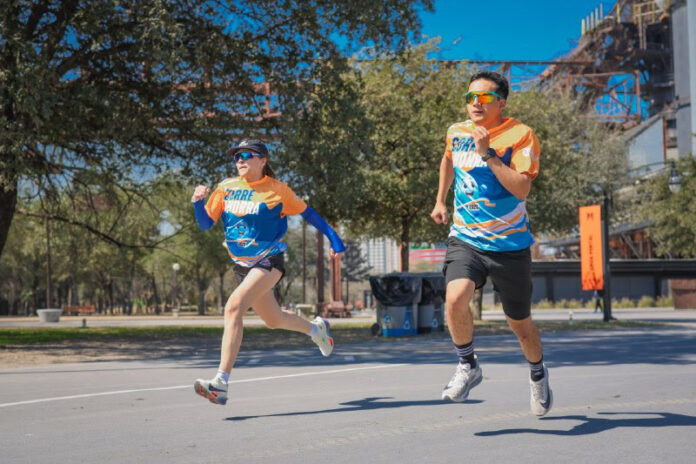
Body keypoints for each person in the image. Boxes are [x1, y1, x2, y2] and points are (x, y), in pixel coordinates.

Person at [430, 71, 553, 416]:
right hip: (465, 238)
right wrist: (440, 200)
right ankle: (467, 365)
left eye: (483, 98)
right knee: (455, 297)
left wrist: (488, 155)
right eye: (470, 97)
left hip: (509, 246)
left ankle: (538, 374)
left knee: (521, 325)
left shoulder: (521, 135)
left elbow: (522, 188)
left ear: (501, 103)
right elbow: (448, 159)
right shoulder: (456, 132)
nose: (475, 104)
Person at [191, 139, 345, 406]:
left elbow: (310, 215)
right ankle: (317, 330)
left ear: (263, 160)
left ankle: (220, 383)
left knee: (233, 308)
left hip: (269, 260)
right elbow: (205, 223)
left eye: (247, 155)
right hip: (242, 266)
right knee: (273, 320)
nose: (240, 160)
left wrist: (335, 238)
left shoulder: (277, 190)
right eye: (236, 156)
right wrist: (197, 202)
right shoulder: (226, 188)